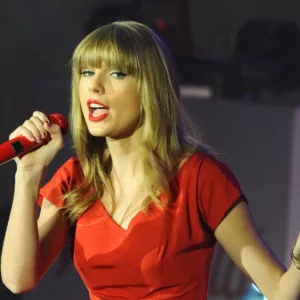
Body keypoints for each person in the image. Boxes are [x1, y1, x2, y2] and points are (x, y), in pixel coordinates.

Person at [1, 20, 300, 300]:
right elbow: (18, 279)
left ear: (151, 88)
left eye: (116, 73)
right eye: (87, 72)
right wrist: (27, 175)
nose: (94, 85)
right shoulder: (76, 179)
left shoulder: (199, 178)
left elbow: (278, 290)